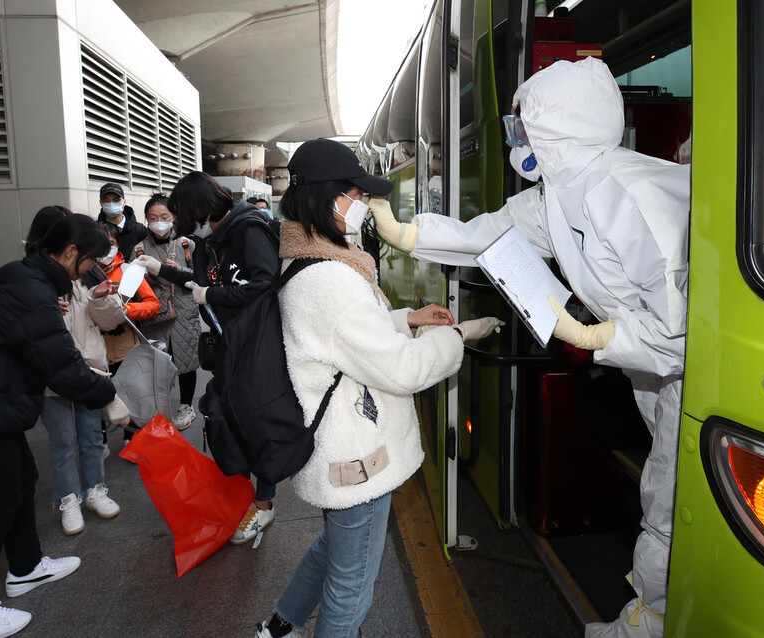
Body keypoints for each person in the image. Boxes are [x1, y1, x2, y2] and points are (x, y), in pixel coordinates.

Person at [369, 58, 690, 638]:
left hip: (681, 371)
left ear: (557, 129)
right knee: (666, 490)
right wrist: (407, 234)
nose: (518, 139)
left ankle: (650, 621)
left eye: (524, 126)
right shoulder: (558, 196)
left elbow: (685, 328)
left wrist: (598, 337)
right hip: (648, 368)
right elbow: (483, 236)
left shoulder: (630, 192)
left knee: (669, 498)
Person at [251, 138, 502, 638]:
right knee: (351, 588)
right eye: (354, 193)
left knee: (334, 549)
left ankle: (278, 627)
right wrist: (457, 335)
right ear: (327, 199)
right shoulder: (331, 280)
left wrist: (405, 317)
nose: (362, 205)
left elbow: (343, 337)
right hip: (355, 460)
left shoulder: (306, 261)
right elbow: (403, 370)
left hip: (336, 449)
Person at [0, 213, 126, 638]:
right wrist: (111, 398)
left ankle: (26, 567)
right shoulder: (31, 290)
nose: (87, 270)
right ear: (69, 252)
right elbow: (61, 366)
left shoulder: (25, 279)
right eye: (87, 259)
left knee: (23, 480)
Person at [135, 171, 286, 545]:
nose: (176, 226)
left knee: (261, 424)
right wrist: (162, 269)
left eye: (179, 216)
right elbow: (202, 282)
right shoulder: (209, 240)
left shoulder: (249, 229)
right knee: (228, 419)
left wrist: (211, 297)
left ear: (198, 210)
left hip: (259, 344)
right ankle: (240, 496)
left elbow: (264, 284)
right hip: (229, 344)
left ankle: (264, 505)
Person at [25, 207, 128, 536]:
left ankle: (95, 489)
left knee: (91, 436)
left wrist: (99, 298)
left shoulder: (85, 272)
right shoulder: (30, 277)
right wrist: (43, 309)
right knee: (62, 441)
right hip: (52, 375)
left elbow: (112, 321)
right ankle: (68, 498)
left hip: (90, 369)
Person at [133, 193, 201, 430]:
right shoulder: (139, 249)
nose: (159, 222)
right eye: (153, 217)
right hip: (155, 313)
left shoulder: (186, 244)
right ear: (146, 220)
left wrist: (179, 271)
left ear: (173, 217)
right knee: (157, 363)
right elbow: (133, 287)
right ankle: (159, 408)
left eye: (164, 216)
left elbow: (200, 279)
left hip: (184, 310)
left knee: (186, 360)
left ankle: (185, 405)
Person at [98, 223, 160, 442]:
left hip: (126, 347)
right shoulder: (83, 274)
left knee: (129, 394)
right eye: (101, 245)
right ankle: (100, 440)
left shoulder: (127, 271)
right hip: (96, 351)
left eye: (111, 244)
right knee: (98, 398)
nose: (106, 250)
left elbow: (153, 304)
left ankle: (131, 438)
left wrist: (128, 310)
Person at [97, 182, 148, 262]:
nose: (111, 204)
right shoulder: (96, 230)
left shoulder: (139, 230)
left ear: (124, 202)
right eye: (106, 200)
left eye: (116, 200)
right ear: (101, 203)